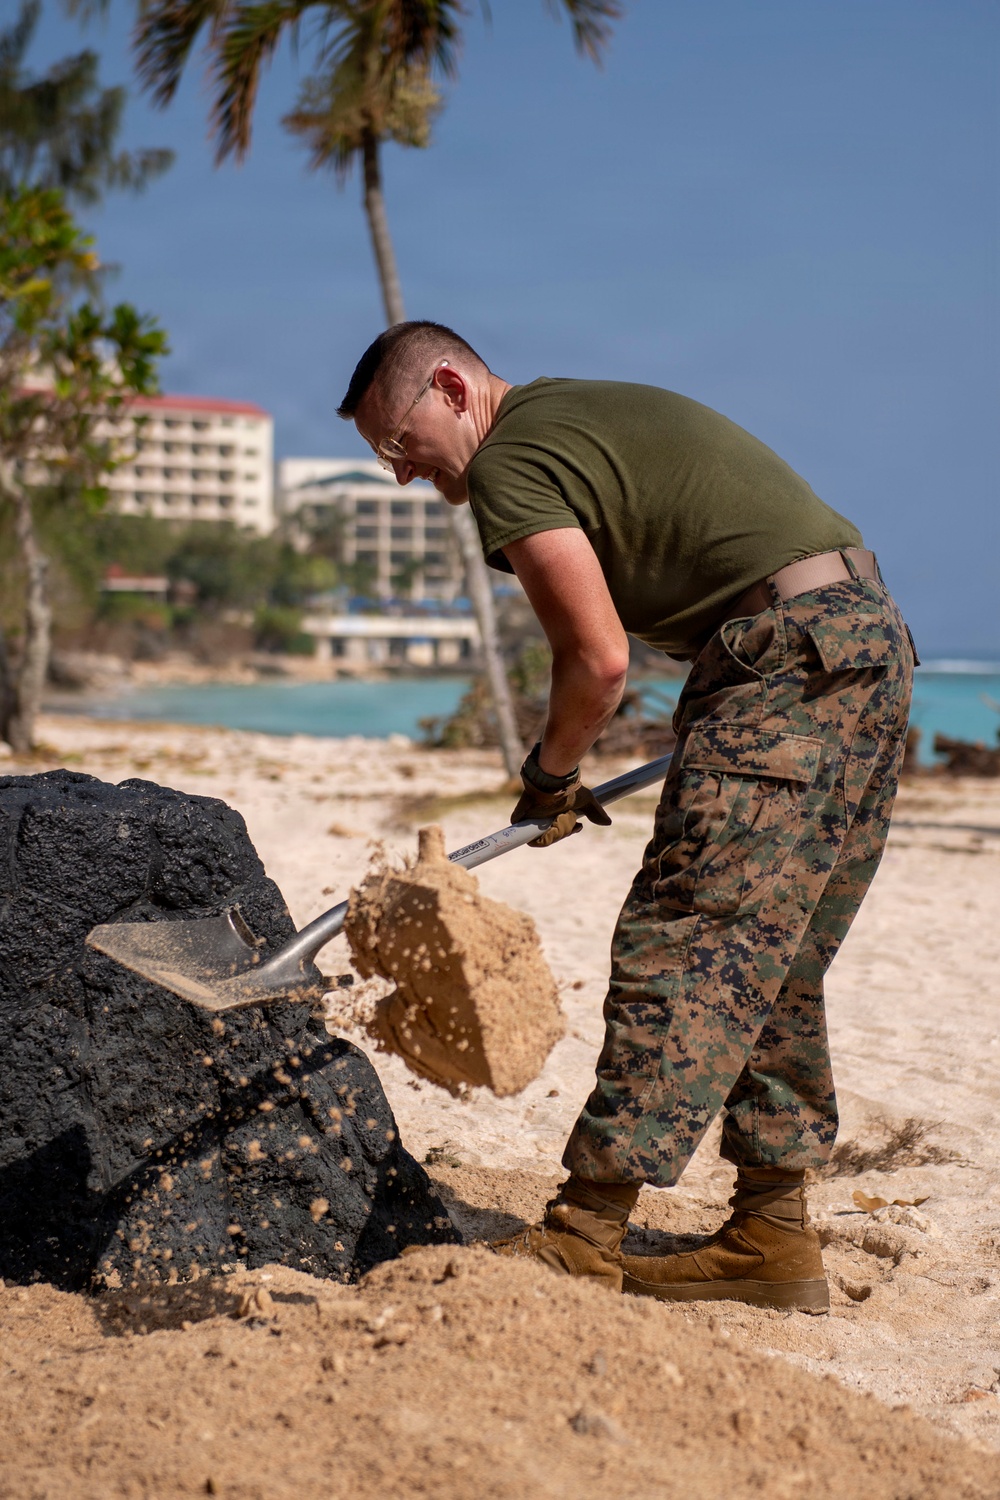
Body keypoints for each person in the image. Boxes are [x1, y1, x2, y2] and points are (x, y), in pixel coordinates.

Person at [338, 320, 915, 1311]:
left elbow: (597, 663)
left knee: (683, 943)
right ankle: (772, 1236)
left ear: (450, 385)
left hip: (784, 659)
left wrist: (549, 772)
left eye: (399, 443)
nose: (401, 474)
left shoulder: (512, 455)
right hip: (860, 645)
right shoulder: (567, 420)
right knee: (764, 961)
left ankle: (583, 1232)